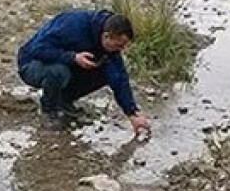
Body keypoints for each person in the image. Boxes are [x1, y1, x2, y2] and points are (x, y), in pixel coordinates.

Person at [17, 8, 151, 136]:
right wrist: (72, 57)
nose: (121, 50)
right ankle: (49, 110)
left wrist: (132, 113)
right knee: (59, 72)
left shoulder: (109, 45)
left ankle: (63, 102)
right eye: (119, 46)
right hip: (31, 63)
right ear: (106, 36)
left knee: (107, 71)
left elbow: (119, 78)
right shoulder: (73, 25)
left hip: (64, 63)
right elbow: (38, 49)